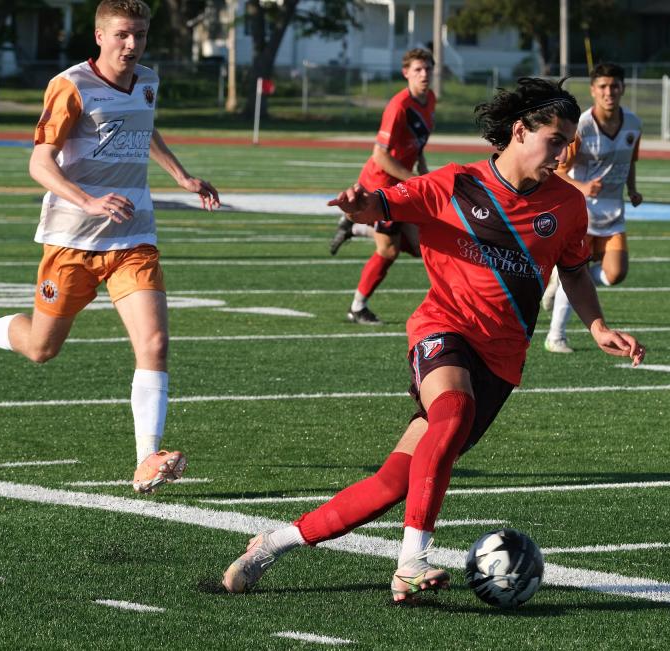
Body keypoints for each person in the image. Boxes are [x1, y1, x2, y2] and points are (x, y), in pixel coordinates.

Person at [221, 77, 646, 601]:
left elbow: (576, 271)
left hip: (503, 359)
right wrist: (358, 206)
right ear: (519, 131)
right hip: (442, 329)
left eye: (568, 144)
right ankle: (410, 563)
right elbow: (382, 203)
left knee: (392, 485)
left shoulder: (567, 205)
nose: (563, 155)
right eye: (556, 141)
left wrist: (598, 326)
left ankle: (274, 542)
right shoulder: (454, 184)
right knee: (453, 411)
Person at [0, 0, 220, 494]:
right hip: (72, 241)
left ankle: (147, 458)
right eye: (122, 34)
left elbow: (143, 128)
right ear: (99, 36)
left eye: (140, 35)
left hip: (134, 237)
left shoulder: (147, 79)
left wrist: (182, 176)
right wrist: (88, 200)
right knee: (41, 348)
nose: (132, 44)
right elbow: (39, 163)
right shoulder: (70, 85)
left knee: (156, 345)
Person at [328, 48, 436, 325]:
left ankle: (355, 225)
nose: (424, 74)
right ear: (406, 73)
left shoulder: (429, 99)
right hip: (382, 185)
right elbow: (380, 155)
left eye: (428, 69)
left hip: (402, 182)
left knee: (421, 244)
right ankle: (357, 307)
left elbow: (417, 143)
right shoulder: (399, 106)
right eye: (418, 70)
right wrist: (414, 180)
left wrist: (423, 171)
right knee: (390, 250)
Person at [542, 62, 642, 354]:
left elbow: (630, 160)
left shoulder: (634, 123)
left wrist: (632, 189)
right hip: (582, 213)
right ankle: (556, 336)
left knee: (616, 273)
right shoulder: (581, 126)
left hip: (614, 213)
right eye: (602, 87)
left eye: (614, 86)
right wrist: (583, 188)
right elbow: (557, 170)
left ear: (622, 88)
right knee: (578, 273)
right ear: (593, 90)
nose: (609, 92)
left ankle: (559, 279)